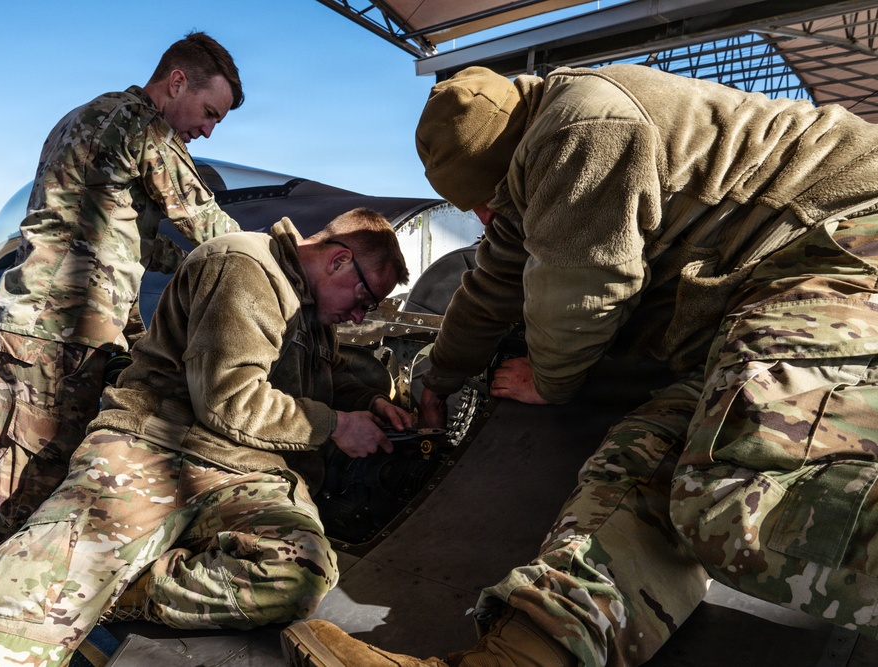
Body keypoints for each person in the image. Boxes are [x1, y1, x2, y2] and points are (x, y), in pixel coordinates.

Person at [280, 64, 878, 666]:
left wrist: (550, 381)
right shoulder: (530, 168)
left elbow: (588, 289)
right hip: (754, 293)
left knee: (742, 479)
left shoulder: (582, 123)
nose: (484, 220)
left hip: (848, 249)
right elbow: (493, 285)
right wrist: (438, 379)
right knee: (640, 463)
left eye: (485, 205)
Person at [0, 31, 244, 666]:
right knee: (5, 510)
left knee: (14, 504)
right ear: (176, 83)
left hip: (55, 340)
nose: (209, 131)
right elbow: (208, 226)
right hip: (54, 343)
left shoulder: (94, 127)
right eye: (210, 113)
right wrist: (282, 266)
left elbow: (126, 245)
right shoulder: (135, 122)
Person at [0, 208, 412, 666]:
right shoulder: (244, 266)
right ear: (339, 259)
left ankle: (128, 583)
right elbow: (229, 399)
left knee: (299, 573)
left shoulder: (312, 308)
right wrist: (336, 425)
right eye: (365, 300)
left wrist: (366, 403)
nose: (359, 317)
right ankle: (83, 582)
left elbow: (321, 378)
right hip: (157, 448)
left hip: (250, 470)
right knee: (34, 610)